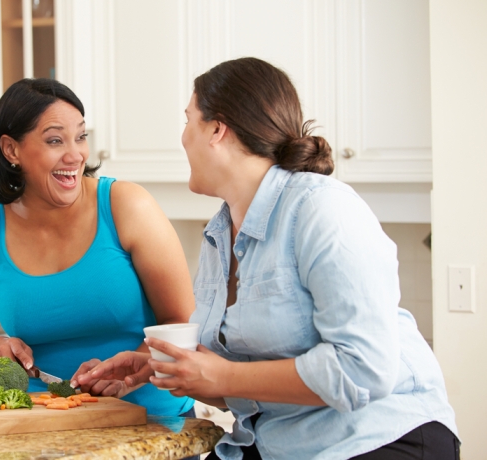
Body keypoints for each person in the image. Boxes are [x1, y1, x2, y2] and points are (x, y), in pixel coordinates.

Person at [74, 57, 459, 460]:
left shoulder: (323, 209)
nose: (183, 137)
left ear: (217, 130)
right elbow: (248, 385)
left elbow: (362, 370)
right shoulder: (219, 235)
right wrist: (166, 369)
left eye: (189, 120)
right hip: (275, 445)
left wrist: (222, 374)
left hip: (379, 437)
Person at [0, 78, 195, 418]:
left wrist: (134, 372)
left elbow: (181, 320)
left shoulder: (127, 207)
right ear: (11, 150)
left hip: (151, 424)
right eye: (54, 140)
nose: (75, 154)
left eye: (80, 137)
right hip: (42, 425)